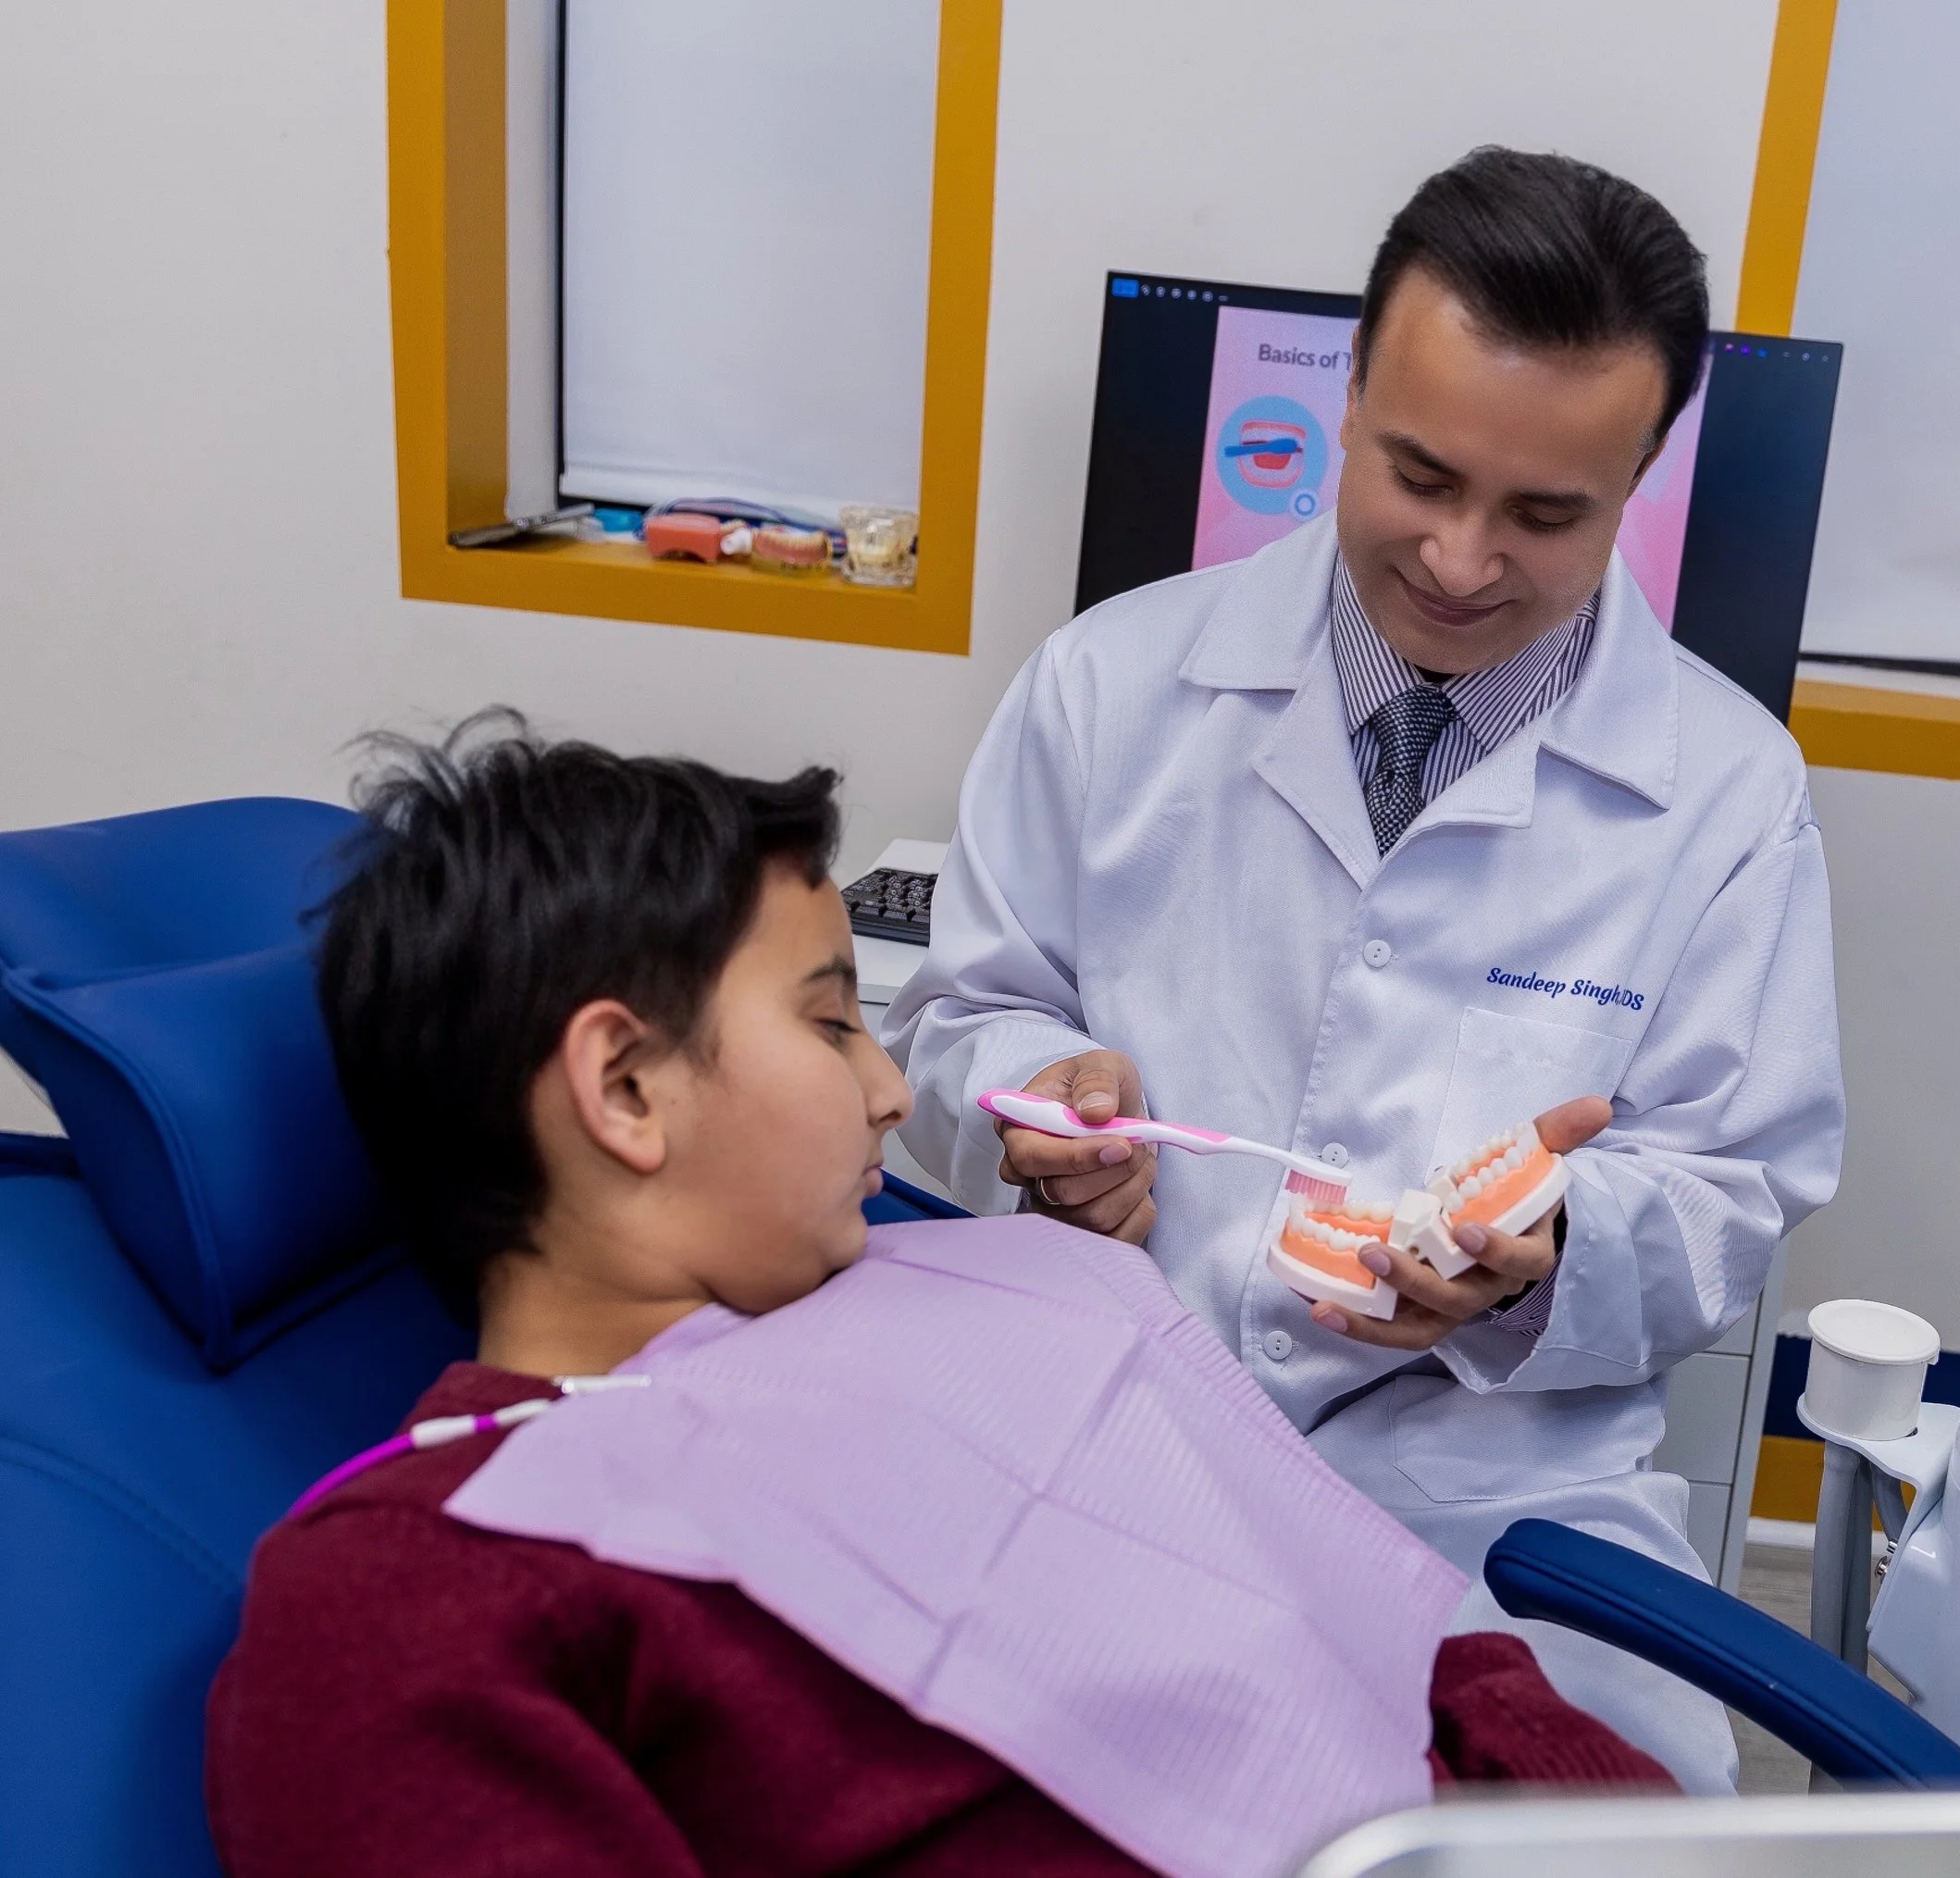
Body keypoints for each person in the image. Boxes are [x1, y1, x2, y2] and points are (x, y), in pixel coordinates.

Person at [205, 720, 1672, 1878]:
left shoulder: (1020, 1289)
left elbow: (1410, 1652)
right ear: (628, 1087)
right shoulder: (419, 1591)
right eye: (832, 1020)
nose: (894, 1090)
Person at [883, 148, 1846, 1790]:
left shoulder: (1730, 793)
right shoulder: (1110, 689)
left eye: (1548, 514)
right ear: (1346, 402)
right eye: (1420, 476)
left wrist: (1547, 1255)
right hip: (1115, 1411)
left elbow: (1733, 1196)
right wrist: (1032, 1107)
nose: (1463, 561)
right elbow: (954, 1021)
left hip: (1495, 1495)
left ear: (1642, 477)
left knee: (1612, 1812)